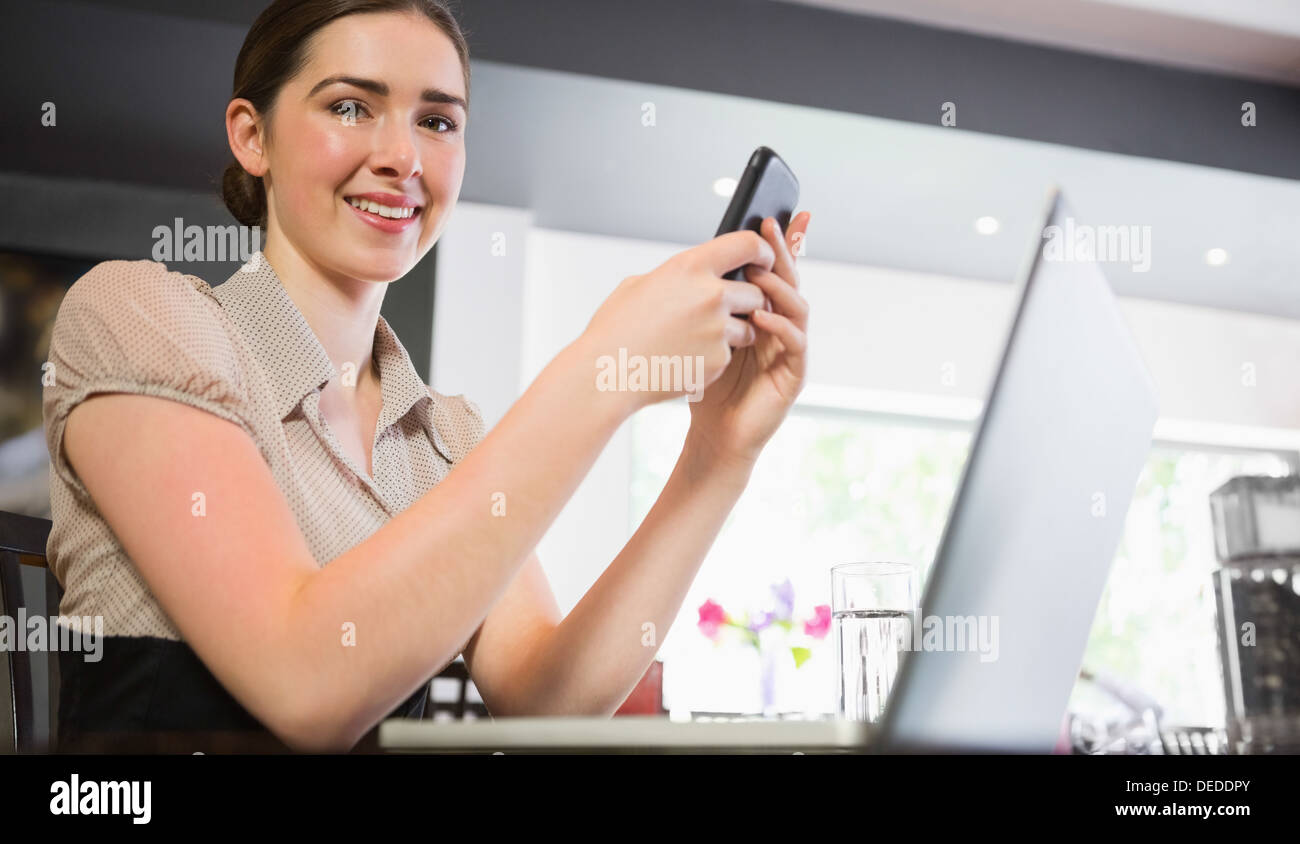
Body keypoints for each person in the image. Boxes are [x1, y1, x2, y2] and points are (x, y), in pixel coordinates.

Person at [43, 0, 811, 752]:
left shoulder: (443, 436)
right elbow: (304, 684)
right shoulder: (134, 314)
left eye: (437, 122)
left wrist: (717, 454)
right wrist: (601, 371)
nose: (402, 157)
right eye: (350, 107)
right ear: (253, 136)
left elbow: (543, 699)